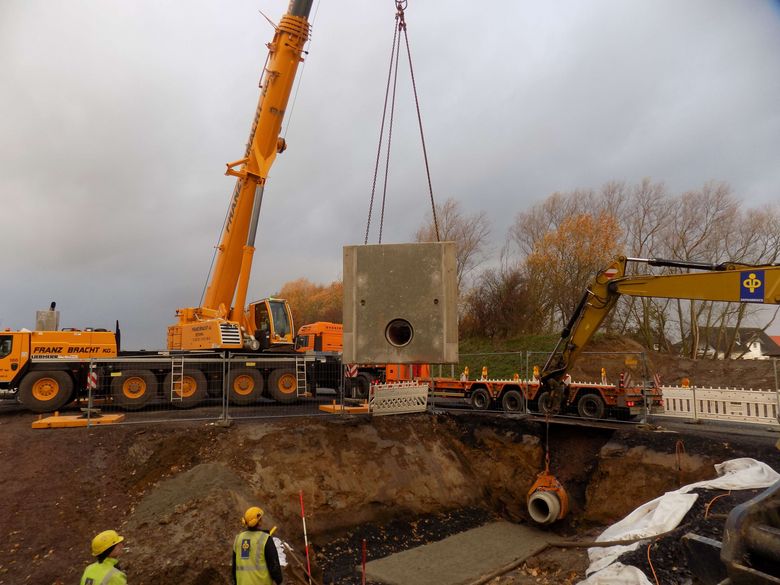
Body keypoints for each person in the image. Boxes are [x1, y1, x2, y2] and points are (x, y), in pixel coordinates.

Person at [232, 506, 283, 585]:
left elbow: (234, 567)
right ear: (259, 522)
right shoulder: (265, 539)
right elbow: (274, 565)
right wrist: (278, 580)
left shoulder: (238, 539)